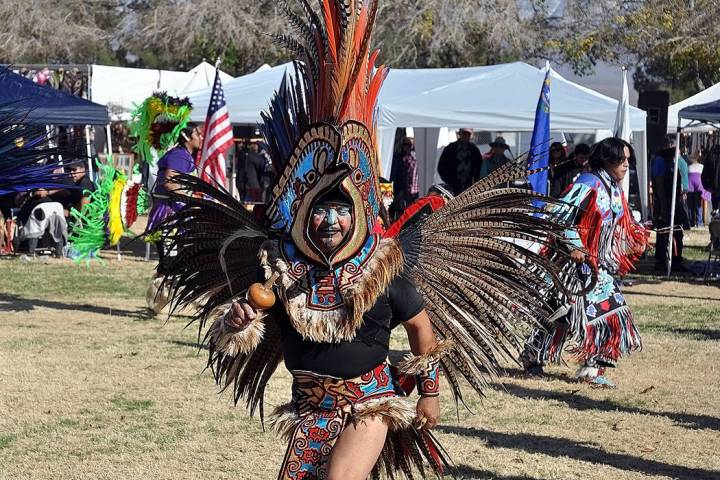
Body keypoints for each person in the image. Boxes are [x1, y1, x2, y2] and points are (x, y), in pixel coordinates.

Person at [148, 2, 575, 477]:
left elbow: (422, 335)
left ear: (359, 215)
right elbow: (244, 331)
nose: (330, 222)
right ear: (303, 213)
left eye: (340, 211)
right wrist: (237, 319)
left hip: (368, 406)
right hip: (309, 407)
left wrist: (429, 396)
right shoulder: (279, 268)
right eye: (320, 211)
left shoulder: (386, 270)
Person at [522, 137, 648, 387]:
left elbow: (621, 223)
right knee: (597, 311)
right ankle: (586, 368)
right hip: (575, 265)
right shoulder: (588, 183)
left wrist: (636, 237)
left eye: (627, 160)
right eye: (620, 160)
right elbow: (559, 217)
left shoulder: (613, 187)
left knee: (565, 314)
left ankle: (540, 355)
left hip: (596, 264)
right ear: (606, 160)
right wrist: (575, 245)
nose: (625, 165)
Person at [651, 136, 689, 272]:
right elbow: (659, 185)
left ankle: (676, 260)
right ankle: (661, 261)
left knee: (677, 232)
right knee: (664, 232)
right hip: (665, 202)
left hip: (674, 201)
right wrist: (664, 208)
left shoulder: (671, 160)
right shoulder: (661, 161)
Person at [437, 128, 483, 195]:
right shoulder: (450, 148)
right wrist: (449, 181)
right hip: (453, 187)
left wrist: (475, 181)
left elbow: (479, 167)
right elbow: (441, 167)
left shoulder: (474, 150)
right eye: (464, 133)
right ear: (460, 133)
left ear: (471, 135)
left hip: (469, 186)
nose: (466, 135)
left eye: (468, 134)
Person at [389, 136, 419, 215]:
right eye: (405, 145)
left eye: (408, 145)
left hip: (411, 190)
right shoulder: (403, 158)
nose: (406, 147)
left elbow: (408, 175)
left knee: (407, 210)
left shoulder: (408, 158)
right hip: (406, 190)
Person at [687, 154, 709, 227]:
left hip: (690, 189)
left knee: (690, 206)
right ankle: (699, 222)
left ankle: (691, 222)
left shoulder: (688, 167)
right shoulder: (701, 167)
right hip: (699, 188)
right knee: (698, 205)